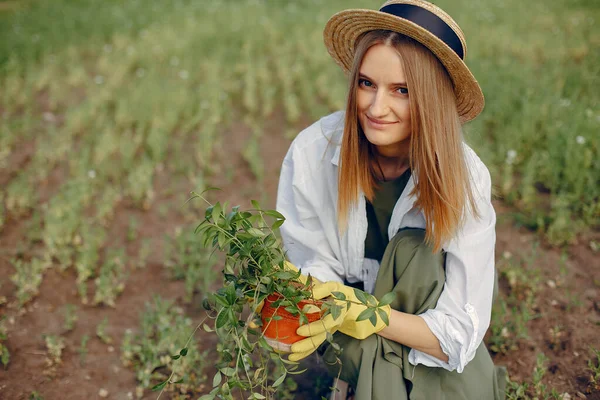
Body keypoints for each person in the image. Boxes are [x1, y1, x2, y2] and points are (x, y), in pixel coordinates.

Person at [275, 0, 506, 399]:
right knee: (366, 352)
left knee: (415, 254)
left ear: (432, 98)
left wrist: (369, 314)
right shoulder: (313, 151)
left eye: (402, 90)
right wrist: (318, 303)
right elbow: (310, 263)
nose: (376, 108)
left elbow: (459, 331)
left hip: (424, 333)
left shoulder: (465, 179)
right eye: (367, 83)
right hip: (348, 335)